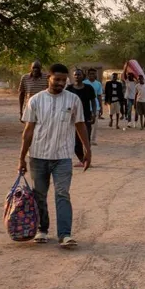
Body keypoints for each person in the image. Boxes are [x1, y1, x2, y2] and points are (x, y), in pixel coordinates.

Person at [18, 63, 90, 248]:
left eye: (63, 80)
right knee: (39, 195)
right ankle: (42, 229)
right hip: (38, 156)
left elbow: (80, 125)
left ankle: (65, 235)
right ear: (48, 78)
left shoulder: (73, 100)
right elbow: (28, 131)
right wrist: (21, 158)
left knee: (62, 194)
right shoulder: (35, 100)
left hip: (63, 157)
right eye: (56, 79)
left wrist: (87, 150)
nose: (60, 83)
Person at [65, 69, 96, 167]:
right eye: (75, 75)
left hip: (86, 117)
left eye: (79, 74)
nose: (77, 76)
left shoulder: (88, 88)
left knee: (86, 139)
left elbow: (93, 102)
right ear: (73, 76)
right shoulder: (69, 89)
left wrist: (94, 114)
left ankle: (87, 159)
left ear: (83, 76)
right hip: (73, 118)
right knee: (75, 142)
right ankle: (82, 160)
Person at [83, 68, 103, 145]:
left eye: (93, 74)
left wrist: (101, 107)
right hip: (86, 106)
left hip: (95, 107)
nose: (92, 75)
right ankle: (86, 139)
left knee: (94, 124)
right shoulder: (84, 83)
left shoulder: (98, 84)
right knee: (85, 124)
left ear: (96, 75)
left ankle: (93, 140)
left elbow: (99, 96)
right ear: (88, 75)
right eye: (90, 73)